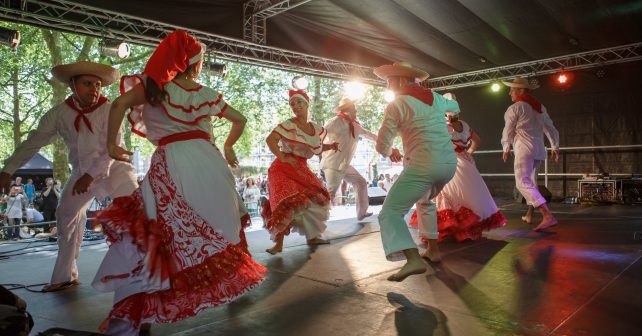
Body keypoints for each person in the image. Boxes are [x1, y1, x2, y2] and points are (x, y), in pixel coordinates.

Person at [92, 30, 266, 335]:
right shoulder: (206, 94)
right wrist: (228, 146)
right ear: (195, 64)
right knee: (216, 230)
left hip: (173, 162)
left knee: (152, 234)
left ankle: (135, 314)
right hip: (210, 165)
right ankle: (145, 311)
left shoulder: (154, 88)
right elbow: (240, 119)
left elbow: (118, 105)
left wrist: (111, 145)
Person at [0, 60, 138, 292]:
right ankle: (65, 276)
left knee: (137, 213)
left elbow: (112, 148)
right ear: (72, 84)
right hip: (81, 173)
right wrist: (8, 170)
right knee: (66, 214)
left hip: (115, 168)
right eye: (88, 83)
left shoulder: (110, 109)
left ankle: (147, 275)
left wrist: (90, 175)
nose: (95, 89)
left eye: (98, 84)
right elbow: (33, 142)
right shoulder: (59, 114)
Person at [374, 61, 458, 282]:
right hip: (449, 164)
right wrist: (450, 116)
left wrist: (389, 150)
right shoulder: (436, 98)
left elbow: (382, 144)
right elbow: (455, 108)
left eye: (389, 81)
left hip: (423, 165)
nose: (388, 86)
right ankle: (433, 250)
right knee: (424, 201)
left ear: (401, 80)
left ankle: (412, 259)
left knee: (389, 213)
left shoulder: (397, 104)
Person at [409, 93, 507, 241]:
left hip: (449, 161)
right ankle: (466, 228)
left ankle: (451, 229)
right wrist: (468, 152)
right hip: (466, 163)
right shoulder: (464, 125)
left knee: (446, 193)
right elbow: (477, 141)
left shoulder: (444, 126)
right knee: (469, 195)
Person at [262, 89, 339, 255]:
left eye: (298, 103)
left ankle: (312, 237)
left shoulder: (315, 129)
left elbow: (315, 148)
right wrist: (282, 156)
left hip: (300, 167)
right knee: (285, 201)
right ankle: (278, 244)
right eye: (292, 104)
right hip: (282, 168)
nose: (295, 106)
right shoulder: (288, 125)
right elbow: (270, 140)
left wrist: (330, 146)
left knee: (316, 198)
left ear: (307, 104)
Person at [501, 77, 560, 231]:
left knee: (522, 182)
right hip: (539, 148)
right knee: (531, 183)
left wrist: (506, 146)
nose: (509, 93)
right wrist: (554, 146)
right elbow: (550, 128)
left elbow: (508, 129)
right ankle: (529, 215)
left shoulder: (516, 108)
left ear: (520, 90)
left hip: (524, 149)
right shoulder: (540, 108)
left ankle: (547, 215)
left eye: (512, 89)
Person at [321, 98, 377, 220]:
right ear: (349, 109)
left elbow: (369, 135)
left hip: (344, 165)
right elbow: (320, 135)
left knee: (361, 182)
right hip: (333, 164)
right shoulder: (334, 122)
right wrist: (319, 147)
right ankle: (316, 224)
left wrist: (383, 140)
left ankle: (361, 213)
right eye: (354, 108)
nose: (356, 110)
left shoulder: (355, 126)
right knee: (330, 194)